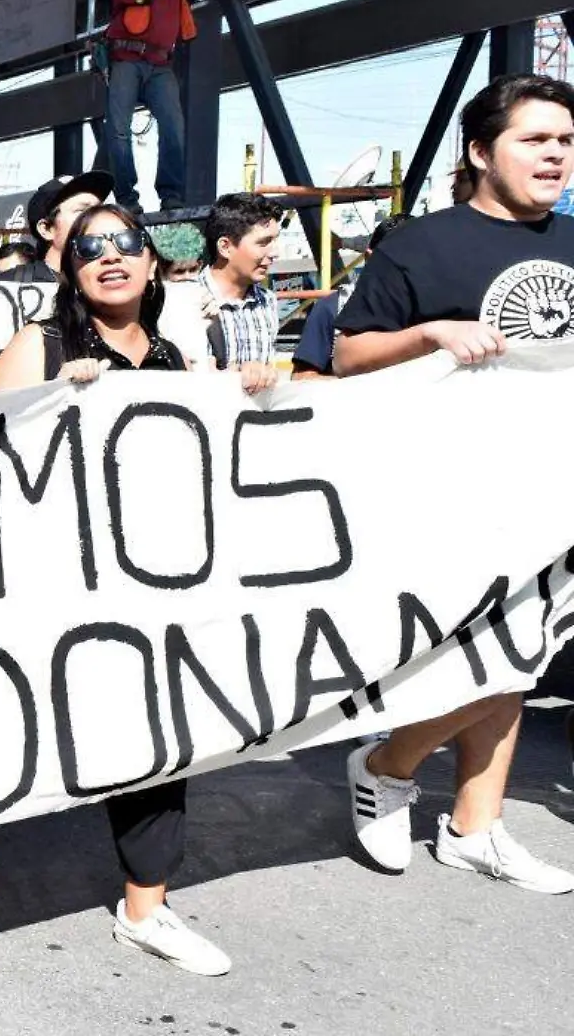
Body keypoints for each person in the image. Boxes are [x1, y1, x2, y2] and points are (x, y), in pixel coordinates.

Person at [0, 202, 274, 977]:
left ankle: (146, 905)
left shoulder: (177, 357)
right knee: (16, 717)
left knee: (158, 730)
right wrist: (43, 402)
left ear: (153, 263)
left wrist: (246, 394)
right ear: (68, 269)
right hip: (50, 581)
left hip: (149, 582)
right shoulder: (39, 344)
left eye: (126, 246)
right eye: (91, 248)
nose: (110, 258)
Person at [332, 73, 574, 894]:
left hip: (555, 485)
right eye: (534, 139)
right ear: (480, 152)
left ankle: (476, 826)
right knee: (498, 657)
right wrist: (429, 334)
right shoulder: (421, 245)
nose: (554, 155)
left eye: (565, 141)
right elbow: (347, 357)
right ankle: (389, 760)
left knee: (526, 654)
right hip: (447, 487)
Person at [107, 0, 194, 213]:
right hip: (126, 58)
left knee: (174, 127)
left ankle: (171, 194)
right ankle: (126, 198)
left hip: (161, 63)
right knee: (118, 130)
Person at [291, 213, 410, 379]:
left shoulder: (440, 310)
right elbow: (302, 377)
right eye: (394, 259)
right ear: (369, 257)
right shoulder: (332, 307)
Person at [190, 192, 284, 369]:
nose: (275, 253)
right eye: (263, 243)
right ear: (225, 247)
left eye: (275, 241)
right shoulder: (188, 302)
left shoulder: (268, 301)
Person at [0, 173, 115, 284]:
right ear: (46, 230)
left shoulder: (112, 284)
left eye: (99, 210)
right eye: (81, 211)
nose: (97, 219)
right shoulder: (7, 286)